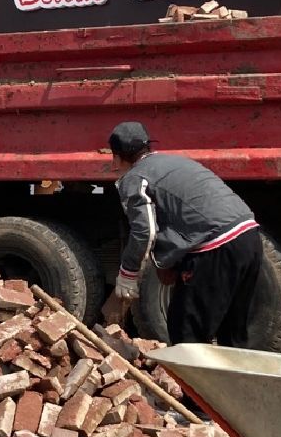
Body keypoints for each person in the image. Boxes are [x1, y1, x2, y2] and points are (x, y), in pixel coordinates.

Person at [103, 120, 263, 347]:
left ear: (116, 157)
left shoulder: (135, 178)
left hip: (217, 246)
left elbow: (143, 232)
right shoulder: (173, 162)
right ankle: (232, 382)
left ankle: (192, 384)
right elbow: (182, 217)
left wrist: (127, 275)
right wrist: (170, 265)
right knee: (233, 334)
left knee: (187, 334)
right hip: (249, 237)